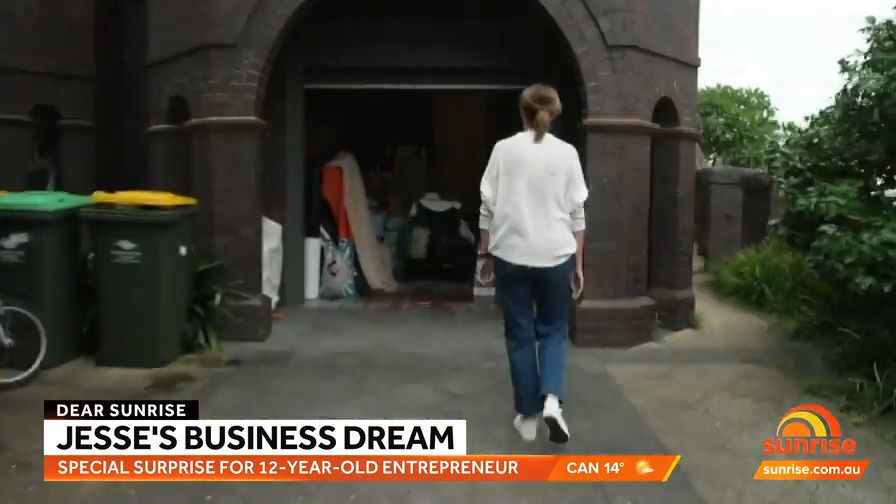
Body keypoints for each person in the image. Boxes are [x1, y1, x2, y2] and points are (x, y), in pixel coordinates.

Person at [478, 84, 588, 444]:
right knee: (553, 330)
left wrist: (484, 255)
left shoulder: (503, 150)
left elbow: (487, 209)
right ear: (554, 112)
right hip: (556, 256)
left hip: (510, 255)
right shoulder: (567, 154)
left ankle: (527, 415)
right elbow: (577, 214)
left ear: (521, 111)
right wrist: (578, 264)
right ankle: (552, 400)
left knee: (519, 334)